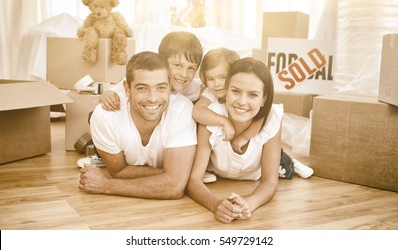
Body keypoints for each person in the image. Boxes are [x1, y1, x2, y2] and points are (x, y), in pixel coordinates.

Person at [187, 57, 297, 223]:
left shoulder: (272, 119)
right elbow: (193, 180)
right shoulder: (211, 117)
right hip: (222, 177)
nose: (242, 101)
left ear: (264, 99)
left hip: (261, 171)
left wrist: (249, 203)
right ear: (226, 90)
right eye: (235, 91)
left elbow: (270, 181)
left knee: (285, 165)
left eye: (253, 95)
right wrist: (216, 204)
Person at [79, 51, 197, 199]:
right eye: (142, 88)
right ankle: (96, 149)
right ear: (127, 89)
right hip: (112, 128)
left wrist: (106, 185)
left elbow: (174, 187)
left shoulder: (182, 108)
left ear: (169, 87)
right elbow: (119, 171)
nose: (152, 98)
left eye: (161, 87)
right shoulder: (105, 116)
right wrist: (175, 174)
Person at [101, 31, 203, 111]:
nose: (184, 74)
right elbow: (113, 92)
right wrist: (107, 94)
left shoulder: (195, 88)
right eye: (177, 65)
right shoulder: (145, 79)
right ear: (162, 61)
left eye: (191, 68)